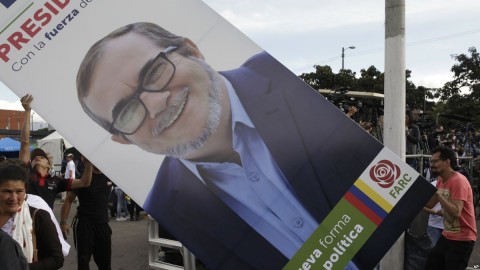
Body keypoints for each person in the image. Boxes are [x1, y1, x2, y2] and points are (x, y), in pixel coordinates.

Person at [75, 22, 435, 270]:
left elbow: (399, 202)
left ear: (192, 50)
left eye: (154, 72)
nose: (154, 104)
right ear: (122, 138)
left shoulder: (283, 81)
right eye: (126, 112)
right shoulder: (164, 205)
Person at [19, 94, 93, 209]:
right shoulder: (26, 173)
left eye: (42, 157)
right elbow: (25, 142)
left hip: (46, 224)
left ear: (49, 165)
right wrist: (27, 111)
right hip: (25, 224)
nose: (37, 158)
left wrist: (89, 163)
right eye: (34, 158)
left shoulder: (56, 181)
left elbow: (84, 182)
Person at [0, 159, 64, 269]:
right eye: (7, 191)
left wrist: (24, 267)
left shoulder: (39, 217)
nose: (13, 198)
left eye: (19, 191)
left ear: (25, 190)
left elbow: (57, 259)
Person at [425, 146, 477, 269]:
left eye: (435, 161)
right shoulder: (441, 180)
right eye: (431, 161)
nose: (431, 164)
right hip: (447, 235)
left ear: (447, 162)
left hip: (463, 239)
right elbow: (430, 204)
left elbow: (455, 212)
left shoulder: (458, 181)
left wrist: (439, 194)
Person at [60, 162, 113, 270]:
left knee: (105, 262)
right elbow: (68, 200)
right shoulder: (83, 179)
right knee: (83, 261)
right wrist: (63, 222)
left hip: (103, 224)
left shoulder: (110, 177)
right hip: (85, 225)